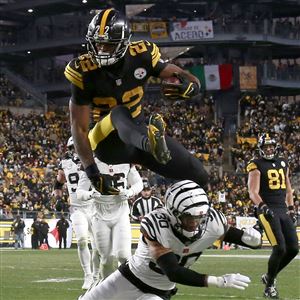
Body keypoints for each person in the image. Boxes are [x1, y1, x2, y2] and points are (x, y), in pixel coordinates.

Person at [66, 8, 208, 197]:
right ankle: (151, 145)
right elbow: (79, 129)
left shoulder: (141, 55)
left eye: (108, 45)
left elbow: (182, 75)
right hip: (106, 143)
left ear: (124, 43)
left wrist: (193, 86)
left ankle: (196, 221)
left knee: (199, 175)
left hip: (139, 133)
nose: (100, 50)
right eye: (97, 44)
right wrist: (92, 171)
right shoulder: (83, 71)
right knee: (118, 112)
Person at [78, 180, 262, 300]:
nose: (195, 223)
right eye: (189, 218)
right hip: (129, 279)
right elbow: (173, 271)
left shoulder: (213, 222)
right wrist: (219, 281)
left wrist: (254, 240)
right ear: (173, 213)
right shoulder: (157, 224)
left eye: (199, 218)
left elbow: (246, 240)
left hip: (159, 292)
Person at [247, 133, 299, 299]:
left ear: (274, 147)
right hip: (267, 209)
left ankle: (270, 276)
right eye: (266, 146)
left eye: (271, 146)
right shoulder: (255, 165)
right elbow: (252, 192)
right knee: (279, 248)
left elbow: (288, 189)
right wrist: (262, 206)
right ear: (260, 149)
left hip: (282, 209)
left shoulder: (283, 162)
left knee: (293, 249)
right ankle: (269, 287)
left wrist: (291, 208)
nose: (268, 149)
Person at [77, 157, 143, 279]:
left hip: (121, 211)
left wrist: (130, 192)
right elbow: (79, 192)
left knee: (123, 255)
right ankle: (107, 289)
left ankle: (126, 286)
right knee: (106, 258)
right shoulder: (91, 163)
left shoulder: (125, 161)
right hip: (99, 213)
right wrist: (90, 194)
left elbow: (139, 184)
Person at [54, 137, 100, 289]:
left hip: (94, 206)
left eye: (79, 146)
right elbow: (58, 182)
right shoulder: (65, 163)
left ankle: (97, 275)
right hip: (76, 207)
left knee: (98, 244)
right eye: (74, 147)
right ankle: (87, 275)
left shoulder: (94, 159)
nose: (77, 149)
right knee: (81, 241)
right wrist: (58, 198)